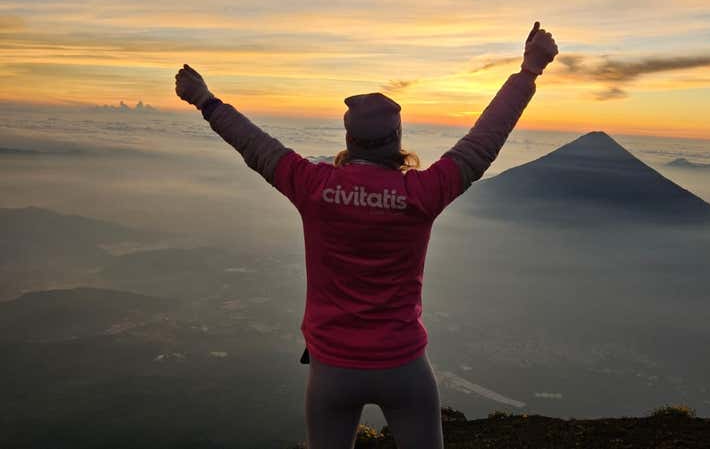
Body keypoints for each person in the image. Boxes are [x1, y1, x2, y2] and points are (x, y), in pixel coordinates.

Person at [175, 22, 558, 449]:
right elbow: (482, 142)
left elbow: (255, 145)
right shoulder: (421, 193)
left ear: (349, 139)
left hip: (331, 369)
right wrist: (529, 71)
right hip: (404, 366)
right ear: (396, 140)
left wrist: (205, 101)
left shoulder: (314, 186)